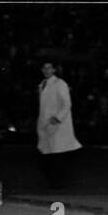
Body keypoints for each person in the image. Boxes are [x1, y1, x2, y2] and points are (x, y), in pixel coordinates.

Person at [36, 61, 81, 189]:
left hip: (56, 124)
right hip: (46, 124)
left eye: (49, 68)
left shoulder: (60, 84)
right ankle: (53, 182)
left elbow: (67, 104)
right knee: (47, 154)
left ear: (54, 70)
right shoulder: (42, 85)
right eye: (44, 68)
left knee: (56, 155)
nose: (46, 70)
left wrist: (58, 118)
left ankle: (58, 183)